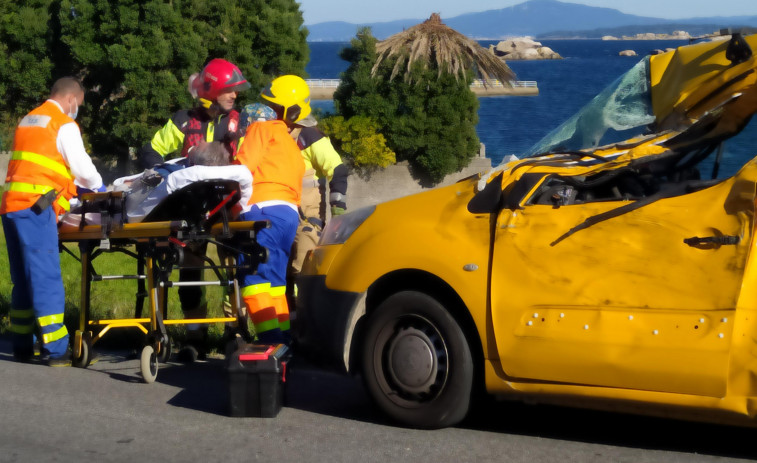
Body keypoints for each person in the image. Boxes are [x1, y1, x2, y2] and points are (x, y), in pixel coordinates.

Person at [137, 59, 250, 361]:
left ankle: (235, 331)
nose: (235, 96)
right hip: (190, 207)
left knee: (234, 270)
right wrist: (161, 176)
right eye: (230, 90)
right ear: (212, 91)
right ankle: (194, 335)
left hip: (228, 207)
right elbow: (152, 150)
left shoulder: (241, 121)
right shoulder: (184, 120)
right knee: (189, 271)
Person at [1, 77, 104, 366]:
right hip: (36, 208)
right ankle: (56, 349)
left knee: (22, 278)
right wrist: (101, 188)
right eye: (79, 105)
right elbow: (83, 170)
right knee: (45, 277)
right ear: (71, 99)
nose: (78, 110)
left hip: (11, 206)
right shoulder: (63, 123)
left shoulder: (29, 119)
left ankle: (22, 344)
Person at [234, 94, 305, 344]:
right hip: (288, 214)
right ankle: (283, 341)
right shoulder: (288, 141)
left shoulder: (260, 128)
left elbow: (243, 167)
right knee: (275, 282)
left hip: (262, 211)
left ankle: (269, 340)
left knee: (254, 278)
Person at [282, 76, 348, 308]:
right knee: (282, 276)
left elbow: (337, 170)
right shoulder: (276, 135)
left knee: (304, 273)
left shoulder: (309, 136)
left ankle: (308, 327)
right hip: (280, 216)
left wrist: (338, 212)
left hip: (306, 220)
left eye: (275, 107)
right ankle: (287, 330)